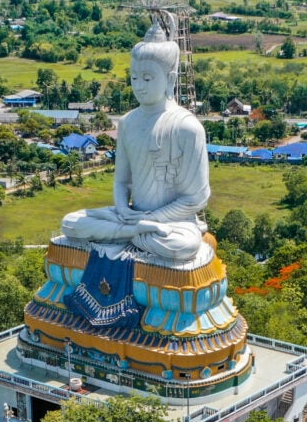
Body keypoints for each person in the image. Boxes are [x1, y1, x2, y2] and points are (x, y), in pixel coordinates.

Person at [61, 14, 210, 264]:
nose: (139, 86)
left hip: (171, 223)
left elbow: (196, 198)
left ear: (170, 80)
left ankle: (127, 235)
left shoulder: (187, 128)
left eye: (148, 78)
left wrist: (154, 219)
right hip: (131, 217)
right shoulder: (128, 122)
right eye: (134, 77)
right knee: (71, 222)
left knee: (181, 245)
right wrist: (123, 210)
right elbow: (122, 181)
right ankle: (133, 234)